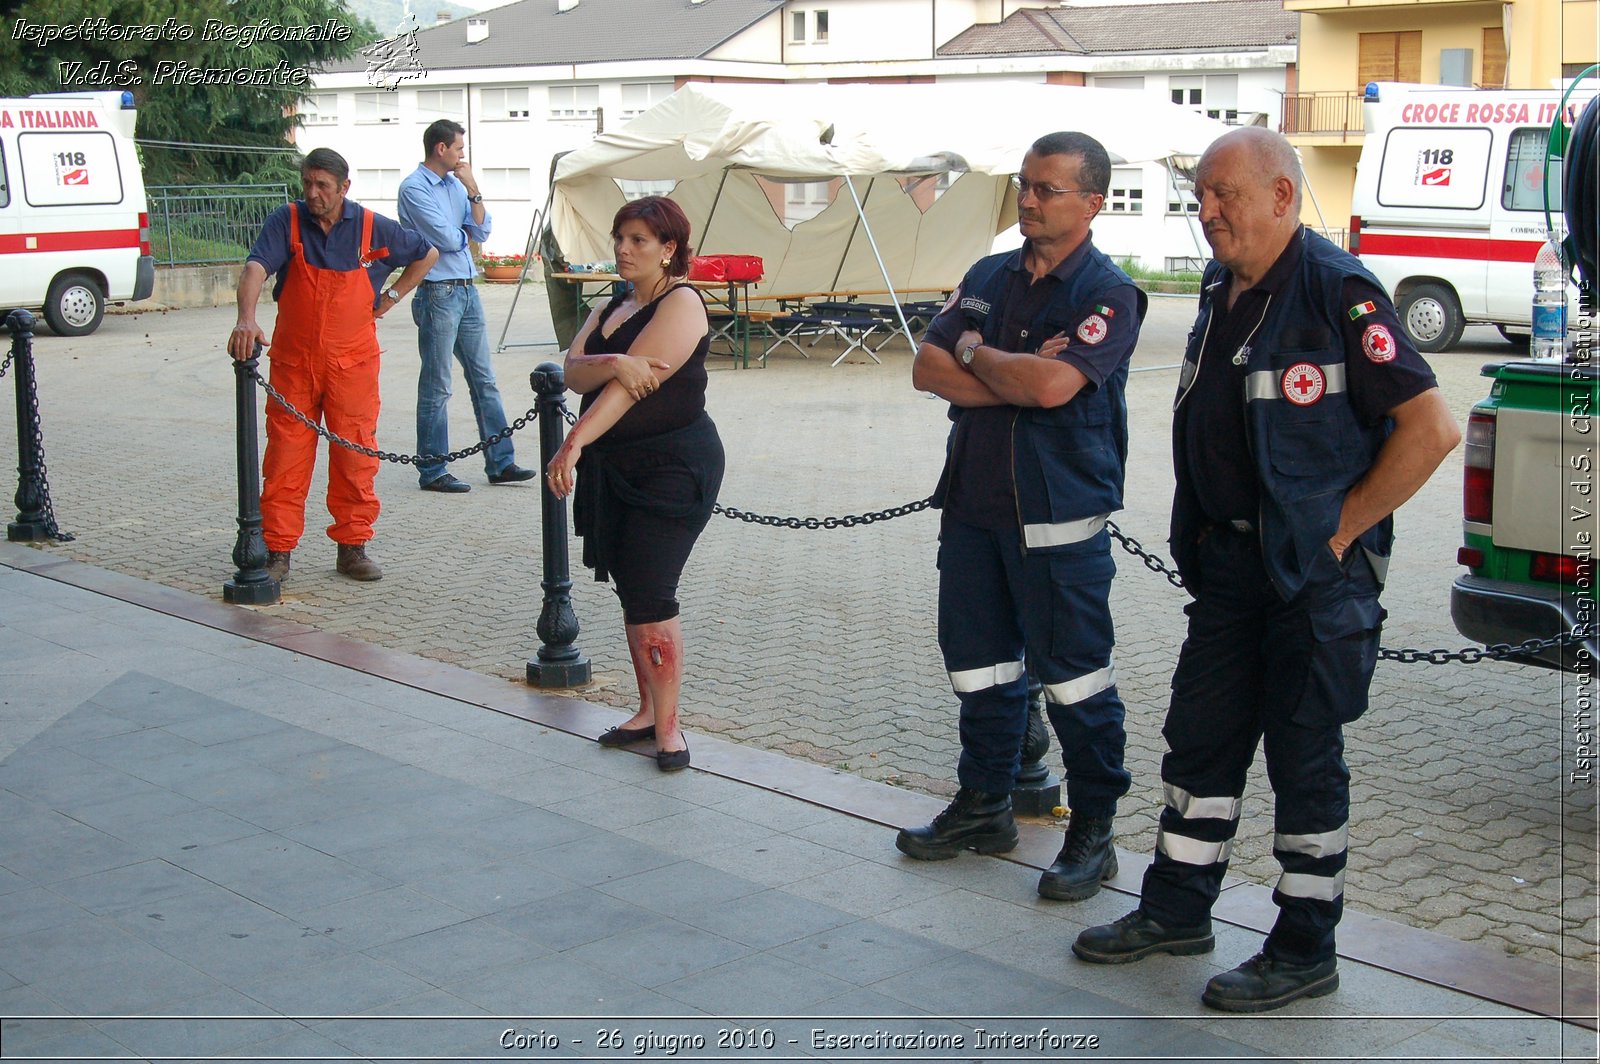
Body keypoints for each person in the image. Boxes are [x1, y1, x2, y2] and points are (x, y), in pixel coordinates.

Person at [1073, 127, 1460, 1012]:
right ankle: (1176, 909)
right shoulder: (1222, 284)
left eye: (1225, 196)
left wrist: (1339, 534)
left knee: (1303, 760)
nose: (1206, 213)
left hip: (1312, 581)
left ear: (1283, 196)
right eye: (1200, 196)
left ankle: (1303, 946)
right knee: (1199, 745)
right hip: (1231, 570)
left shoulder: (1338, 291)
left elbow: (1430, 430)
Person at [896, 132, 1146, 904]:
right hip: (973, 509)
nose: (1028, 200)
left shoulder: (1108, 293)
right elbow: (923, 367)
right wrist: (1001, 362)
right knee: (981, 669)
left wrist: (975, 355)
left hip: (1057, 522)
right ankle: (984, 807)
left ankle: (1093, 831)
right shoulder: (988, 274)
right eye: (1025, 186)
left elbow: (1049, 391)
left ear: (1092, 202)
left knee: (1075, 682)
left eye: (1047, 189)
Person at [545, 196, 725, 773]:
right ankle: (646, 710)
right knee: (631, 588)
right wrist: (616, 361)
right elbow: (573, 371)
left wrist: (574, 443)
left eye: (639, 240)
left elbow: (628, 391)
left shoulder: (683, 303)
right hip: (618, 467)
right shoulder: (614, 306)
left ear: (669, 248)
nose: (623, 249)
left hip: (672, 467)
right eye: (620, 237)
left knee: (652, 589)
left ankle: (670, 727)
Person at [228, 148, 437, 584]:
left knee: (355, 455)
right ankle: (279, 550)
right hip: (294, 364)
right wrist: (246, 318)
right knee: (285, 458)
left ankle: (352, 547)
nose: (312, 193)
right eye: (307, 183)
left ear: (344, 187)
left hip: (353, 365)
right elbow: (254, 268)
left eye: (322, 185)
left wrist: (393, 297)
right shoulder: (285, 220)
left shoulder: (370, 226)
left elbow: (427, 254)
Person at [397, 119, 536, 493]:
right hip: (436, 293)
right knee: (437, 384)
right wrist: (465, 233)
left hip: (466, 289)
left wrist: (473, 188)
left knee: (485, 380)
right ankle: (433, 470)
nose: (463, 155)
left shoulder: (457, 185)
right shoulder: (414, 188)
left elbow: (482, 230)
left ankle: (501, 463)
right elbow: (445, 237)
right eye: (459, 148)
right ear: (440, 148)